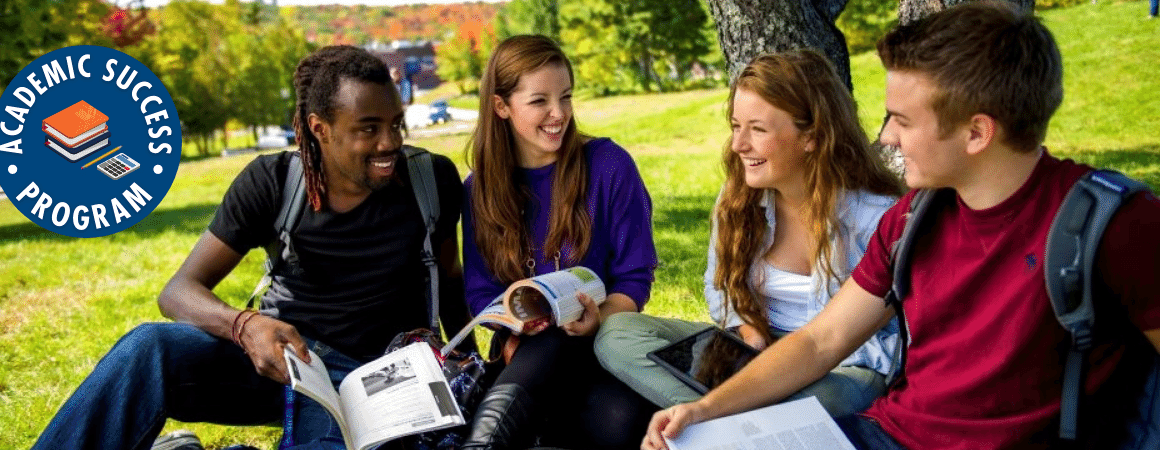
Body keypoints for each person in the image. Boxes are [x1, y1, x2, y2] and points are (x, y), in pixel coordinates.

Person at [643, 2, 1160, 450]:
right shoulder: (912, 219)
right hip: (887, 435)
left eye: (903, 120)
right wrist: (706, 410)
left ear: (977, 132)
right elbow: (822, 341)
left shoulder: (1112, 225)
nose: (886, 136)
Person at [30, 45, 473, 450]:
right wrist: (245, 325)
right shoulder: (274, 181)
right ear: (319, 128)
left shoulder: (430, 179)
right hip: (282, 365)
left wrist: (474, 367)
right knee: (149, 348)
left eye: (396, 123)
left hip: (377, 379)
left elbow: (449, 283)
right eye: (368, 128)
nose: (390, 142)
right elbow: (179, 290)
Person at [594, 50, 902, 418]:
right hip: (752, 346)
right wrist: (750, 332)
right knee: (619, 333)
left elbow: (836, 341)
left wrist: (774, 369)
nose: (739, 145)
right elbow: (719, 286)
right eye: (736, 126)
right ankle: (732, 418)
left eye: (757, 129)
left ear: (812, 137)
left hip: (841, 366)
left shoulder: (875, 217)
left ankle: (716, 417)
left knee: (815, 404)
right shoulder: (740, 196)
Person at [460, 34, 659, 450]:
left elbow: (635, 278)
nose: (559, 114)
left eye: (566, 97)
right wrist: (512, 313)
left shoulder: (608, 165)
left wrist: (597, 318)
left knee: (625, 424)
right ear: (501, 106)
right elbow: (480, 292)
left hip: (598, 343)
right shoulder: (480, 189)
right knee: (553, 353)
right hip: (523, 353)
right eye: (540, 101)